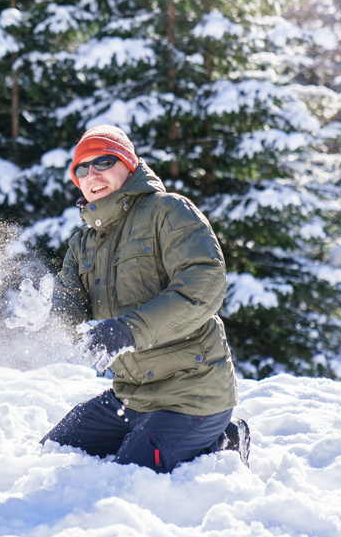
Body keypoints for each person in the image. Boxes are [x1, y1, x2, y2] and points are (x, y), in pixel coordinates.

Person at [41, 125, 249, 472]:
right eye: (81, 168)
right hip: (131, 395)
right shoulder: (83, 244)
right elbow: (69, 305)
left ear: (128, 165)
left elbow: (204, 285)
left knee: (129, 474)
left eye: (104, 161)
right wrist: (53, 317)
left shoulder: (168, 212)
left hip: (191, 394)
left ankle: (223, 439)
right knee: (55, 450)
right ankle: (176, 436)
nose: (92, 174)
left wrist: (128, 330)